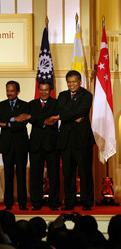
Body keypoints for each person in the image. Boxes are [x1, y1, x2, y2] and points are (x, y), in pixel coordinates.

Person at [49, 70, 95, 211]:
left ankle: (87, 202)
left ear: (80, 82)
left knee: (84, 172)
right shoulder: (62, 95)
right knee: (68, 173)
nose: (71, 84)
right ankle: (69, 202)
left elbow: (80, 110)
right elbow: (60, 110)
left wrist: (63, 115)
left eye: (74, 81)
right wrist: (71, 115)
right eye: (69, 81)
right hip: (65, 140)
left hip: (82, 140)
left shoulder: (87, 95)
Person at [0, 81, 30, 210]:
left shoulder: (25, 105)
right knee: (8, 175)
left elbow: (23, 123)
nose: (9, 93)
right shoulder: (1, 105)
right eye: (8, 91)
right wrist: (14, 119)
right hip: (6, 145)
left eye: (12, 91)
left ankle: (22, 203)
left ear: (18, 91)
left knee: (21, 175)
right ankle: (8, 203)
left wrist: (7, 123)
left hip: (21, 144)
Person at [28, 81, 60, 211]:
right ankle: (36, 202)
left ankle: (54, 202)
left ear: (50, 90)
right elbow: (31, 119)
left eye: (46, 90)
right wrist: (44, 121)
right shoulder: (31, 104)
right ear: (38, 90)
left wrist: (39, 120)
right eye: (41, 90)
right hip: (35, 144)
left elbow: (52, 120)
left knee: (54, 175)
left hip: (52, 144)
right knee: (35, 175)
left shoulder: (56, 103)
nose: (43, 92)